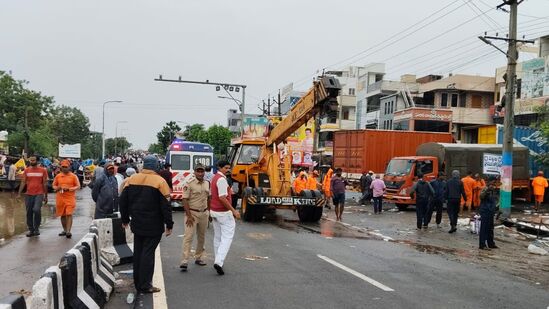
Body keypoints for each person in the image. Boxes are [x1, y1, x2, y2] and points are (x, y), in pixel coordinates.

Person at [120, 155, 173, 293]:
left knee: (138, 252)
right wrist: (169, 224)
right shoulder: (160, 182)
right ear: (156, 166)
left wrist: (125, 219)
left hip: (136, 223)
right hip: (154, 225)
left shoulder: (131, 179)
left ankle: (138, 282)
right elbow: (166, 206)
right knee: (148, 254)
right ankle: (145, 285)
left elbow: (123, 201)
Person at [210, 160, 240, 275]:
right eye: (226, 168)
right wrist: (233, 211)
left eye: (228, 168)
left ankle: (218, 259)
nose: (228, 170)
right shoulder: (221, 179)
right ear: (220, 168)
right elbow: (222, 198)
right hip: (223, 212)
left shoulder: (214, 178)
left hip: (215, 211)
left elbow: (212, 195)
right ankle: (219, 261)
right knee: (227, 238)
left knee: (218, 237)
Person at [180, 164, 210, 271]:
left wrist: (209, 212)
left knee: (201, 237)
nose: (200, 173)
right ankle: (184, 261)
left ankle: (199, 257)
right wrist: (188, 216)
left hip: (204, 213)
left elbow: (208, 197)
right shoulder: (189, 184)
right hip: (192, 214)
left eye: (202, 171)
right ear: (194, 172)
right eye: (198, 171)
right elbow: (184, 200)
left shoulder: (207, 183)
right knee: (188, 237)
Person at [17, 155, 48, 237]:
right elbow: (23, 182)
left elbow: (45, 183)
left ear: (37, 161)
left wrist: (46, 195)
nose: (32, 162)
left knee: (36, 210)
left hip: (39, 193)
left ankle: (36, 228)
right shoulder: (26, 170)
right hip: (28, 194)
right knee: (29, 212)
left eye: (33, 160)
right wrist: (19, 193)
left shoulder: (43, 170)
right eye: (31, 160)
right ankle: (31, 230)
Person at [52, 160, 80, 238]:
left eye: (66, 167)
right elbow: (53, 185)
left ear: (69, 167)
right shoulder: (58, 176)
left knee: (69, 213)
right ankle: (65, 230)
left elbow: (78, 186)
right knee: (62, 215)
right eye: (63, 167)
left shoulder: (73, 176)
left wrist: (69, 189)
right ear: (61, 167)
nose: (64, 168)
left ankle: (68, 231)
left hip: (70, 198)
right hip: (60, 198)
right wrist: (57, 188)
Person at [478, 180, 499, 250]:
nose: (494, 184)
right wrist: (487, 190)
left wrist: (497, 209)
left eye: (494, 183)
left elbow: (495, 201)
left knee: (490, 228)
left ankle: (491, 243)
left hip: (491, 211)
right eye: (493, 183)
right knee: (484, 228)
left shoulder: (494, 191)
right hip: (485, 211)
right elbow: (481, 196)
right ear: (489, 183)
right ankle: (482, 244)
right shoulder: (485, 189)